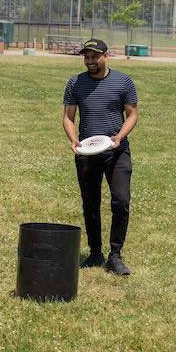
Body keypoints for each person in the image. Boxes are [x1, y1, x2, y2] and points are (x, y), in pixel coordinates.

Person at [62, 39, 139, 276]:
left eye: (94, 57)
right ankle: (95, 252)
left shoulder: (123, 81)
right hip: (87, 152)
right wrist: (74, 140)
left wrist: (119, 137)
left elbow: (132, 114)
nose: (90, 61)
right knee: (90, 203)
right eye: (86, 57)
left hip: (117, 151)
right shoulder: (75, 83)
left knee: (121, 201)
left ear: (106, 56)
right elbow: (68, 117)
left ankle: (115, 255)